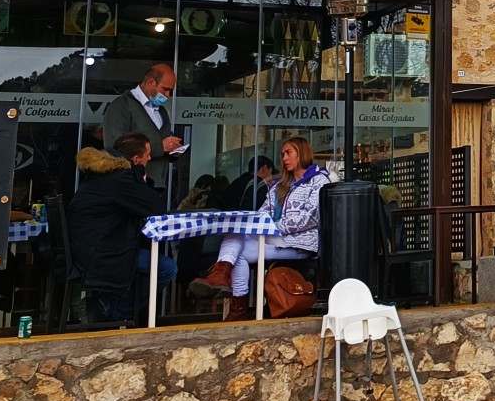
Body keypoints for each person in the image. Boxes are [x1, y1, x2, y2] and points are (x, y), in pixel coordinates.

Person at [189, 136, 327, 321]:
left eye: (289, 153)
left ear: (302, 153)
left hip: (300, 244)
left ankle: (236, 302)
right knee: (236, 234)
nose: (284, 158)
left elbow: (309, 218)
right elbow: (262, 214)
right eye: (282, 154)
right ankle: (223, 277)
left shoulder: (319, 181)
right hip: (272, 239)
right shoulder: (279, 185)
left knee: (237, 251)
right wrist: (261, 227)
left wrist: (272, 228)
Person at [68, 132, 176, 323]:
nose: (150, 158)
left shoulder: (102, 173)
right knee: (166, 268)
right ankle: (113, 311)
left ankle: (109, 303)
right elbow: (156, 208)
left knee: (147, 264)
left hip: (88, 248)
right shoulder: (121, 178)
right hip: (102, 253)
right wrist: (141, 179)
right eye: (148, 154)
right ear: (136, 159)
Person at [101, 63, 183, 191]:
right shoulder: (122, 105)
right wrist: (160, 147)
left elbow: (163, 146)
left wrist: (173, 151)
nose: (168, 95)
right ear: (150, 83)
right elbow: (113, 146)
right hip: (129, 184)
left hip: (157, 184)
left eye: (170, 91)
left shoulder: (161, 112)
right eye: (165, 89)